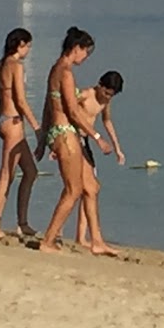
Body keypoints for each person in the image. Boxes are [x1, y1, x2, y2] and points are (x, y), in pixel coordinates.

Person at [36, 28, 117, 255]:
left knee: (91, 187)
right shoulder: (66, 73)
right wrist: (97, 137)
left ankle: (97, 241)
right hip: (65, 133)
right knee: (73, 190)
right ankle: (48, 240)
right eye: (86, 52)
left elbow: (47, 105)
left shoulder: (55, 69)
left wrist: (43, 138)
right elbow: (72, 111)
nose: (86, 57)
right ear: (76, 48)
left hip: (57, 131)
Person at [0, 27, 45, 239]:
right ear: (20, 45)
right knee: (6, 175)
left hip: (2, 121)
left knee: (30, 172)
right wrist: (37, 127)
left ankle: (23, 223)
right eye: (28, 46)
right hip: (12, 123)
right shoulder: (15, 66)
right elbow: (20, 100)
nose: (28, 50)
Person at [71, 71, 127, 248]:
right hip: (73, 137)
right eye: (107, 93)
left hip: (86, 141)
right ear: (100, 85)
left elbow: (107, 121)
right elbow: (68, 109)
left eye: (112, 95)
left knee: (89, 188)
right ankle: (74, 235)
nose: (108, 97)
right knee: (82, 187)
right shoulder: (86, 94)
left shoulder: (106, 101)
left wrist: (117, 148)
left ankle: (81, 236)